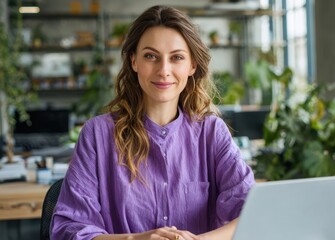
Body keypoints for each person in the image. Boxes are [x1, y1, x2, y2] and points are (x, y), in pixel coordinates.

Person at [51, 5, 255, 240]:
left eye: (176, 57)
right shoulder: (97, 135)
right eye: (151, 56)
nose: (163, 70)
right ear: (134, 61)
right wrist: (136, 239)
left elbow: (250, 212)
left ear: (192, 66)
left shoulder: (212, 133)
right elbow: (71, 229)